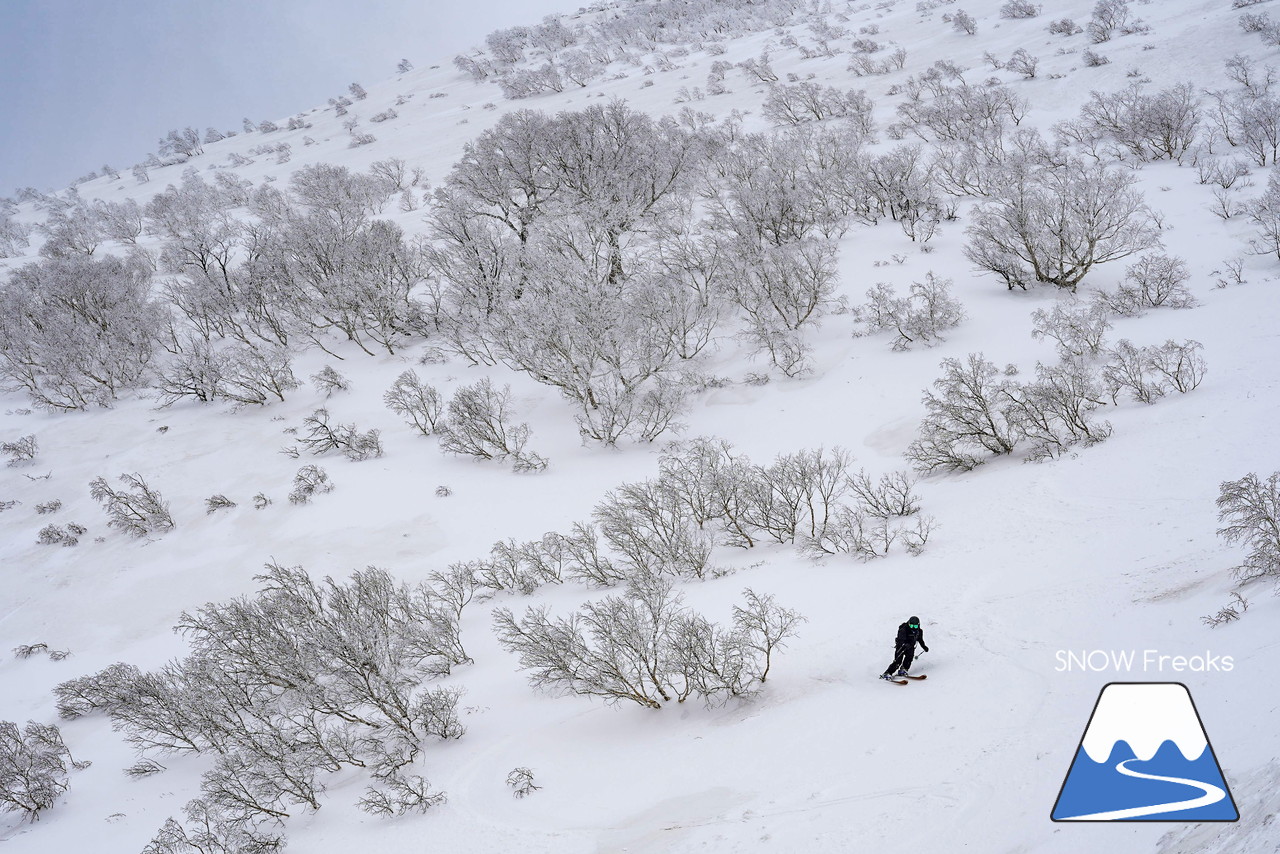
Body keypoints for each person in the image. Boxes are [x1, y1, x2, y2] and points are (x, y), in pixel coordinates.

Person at [880, 616, 928, 680]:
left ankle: (904, 669)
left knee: (909, 658)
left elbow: (920, 640)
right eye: (911, 626)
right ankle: (888, 673)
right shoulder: (904, 629)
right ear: (908, 624)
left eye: (915, 626)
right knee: (897, 661)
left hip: (910, 647)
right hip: (901, 647)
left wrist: (924, 647)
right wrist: (905, 644)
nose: (913, 628)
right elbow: (901, 638)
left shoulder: (919, 631)